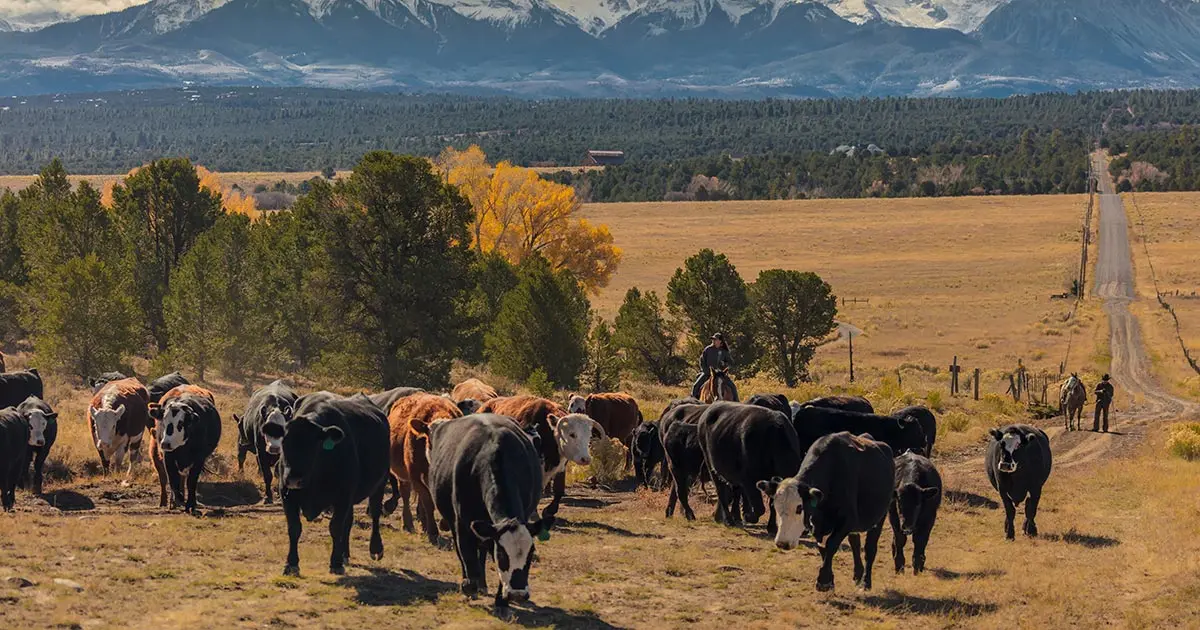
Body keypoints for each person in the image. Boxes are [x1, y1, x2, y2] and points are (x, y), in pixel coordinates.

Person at [691, 333, 737, 400]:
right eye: (713, 339)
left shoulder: (724, 351)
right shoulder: (708, 349)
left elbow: (731, 363)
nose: (713, 341)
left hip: (721, 374)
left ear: (720, 341)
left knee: (733, 387)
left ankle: (737, 402)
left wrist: (725, 368)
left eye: (715, 339)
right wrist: (706, 371)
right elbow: (702, 361)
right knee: (695, 386)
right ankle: (693, 401)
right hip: (708, 373)